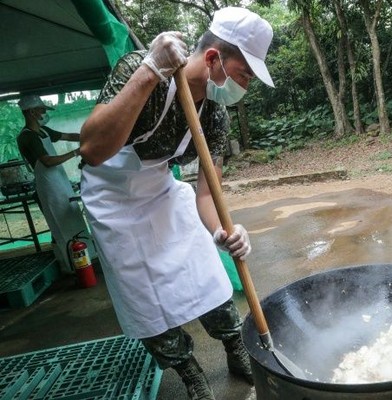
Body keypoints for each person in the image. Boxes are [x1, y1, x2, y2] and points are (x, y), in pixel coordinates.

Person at [78, 7, 274, 400]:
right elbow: (93, 149)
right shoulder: (139, 67)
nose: (245, 87)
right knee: (145, 300)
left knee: (207, 276)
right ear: (215, 58)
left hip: (161, 189)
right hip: (111, 200)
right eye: (243, 75)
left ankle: (237, 350)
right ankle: (190, 375)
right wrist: (150, 71)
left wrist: (223, 231)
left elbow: (206, 192)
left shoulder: (215, 116)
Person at [16, 95, 96, 274]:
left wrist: (90, 137)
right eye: (42, 110)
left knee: (73, 218)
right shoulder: (27, 137)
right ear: (32, 112)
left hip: (60, 181)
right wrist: (77, 152)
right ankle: (72, 266)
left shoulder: (43, 131)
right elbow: (48, 161)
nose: (45, 113)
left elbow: (67, 136)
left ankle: (88, 258)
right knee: (61, 223)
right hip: (48, 186)